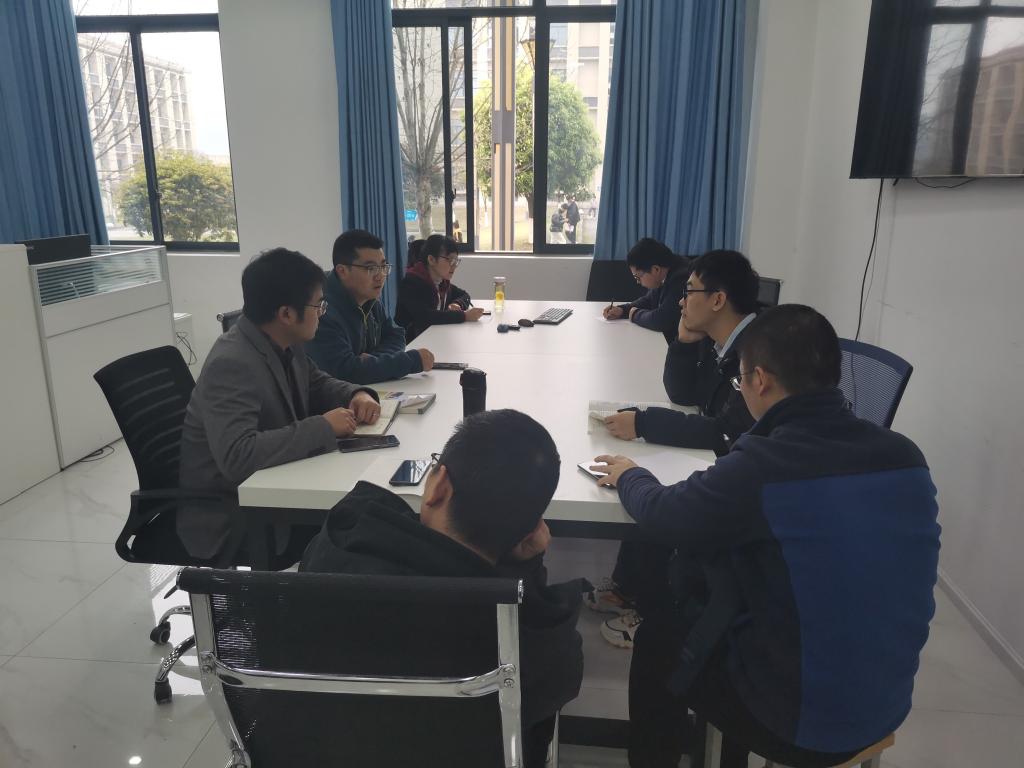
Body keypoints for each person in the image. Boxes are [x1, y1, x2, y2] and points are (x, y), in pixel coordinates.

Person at [593, 305, 940, 768]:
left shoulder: (766, 464)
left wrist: (630, 475)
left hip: (804, 725)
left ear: (759, 380)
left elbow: (666, 515)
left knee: (661, 637)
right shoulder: (906, 455)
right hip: (886, 702)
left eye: (740, 382)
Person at [302, 409, 585, 768]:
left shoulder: (337, 546)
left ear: (438, 487)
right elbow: (559, 681)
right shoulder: (521, 634)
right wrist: (526, 568)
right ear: (528, 530)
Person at [592, 250, 762, 649]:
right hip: (732, 454)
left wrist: (644, 423)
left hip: (745, 480)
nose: (681, 302)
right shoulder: (721, 341)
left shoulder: (755, 352)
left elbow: (724, 431)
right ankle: (628, 587)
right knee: (646, 467)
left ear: (718, 299)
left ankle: (654, 609)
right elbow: (684, 395)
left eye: (690, 292)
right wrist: (684, 342)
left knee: (656, 485)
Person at [178, 247, 382, 560]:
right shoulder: (231, 363)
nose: (322, 313)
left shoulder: (283, 340)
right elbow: (237, 456)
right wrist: (324, 426)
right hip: (234, 514)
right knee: (364, 531)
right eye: (318, 305)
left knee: (369, 516)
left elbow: (316, 382)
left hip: (280, 482)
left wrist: (357, 394)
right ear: (286, 314)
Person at [306, 228, 435, 384]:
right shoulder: (320, 309)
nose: (380, 276)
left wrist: (374, 360)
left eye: (383, 267)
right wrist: (411, 361)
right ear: (342, 271)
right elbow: (345, 371)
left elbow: (396, 334)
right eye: (371, 268)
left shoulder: (367, 297)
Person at [396, 234, 484, 342]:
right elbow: (426, 317)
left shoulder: (442, 282)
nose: (454, 266)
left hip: (433, 339)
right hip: (409, 344)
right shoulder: (412, 283)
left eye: (456, 261)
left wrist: (457, 304)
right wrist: (464, 316)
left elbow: (464, 295)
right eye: (450, 260)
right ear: (431, 259)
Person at [602, 239, 689, 343]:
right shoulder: (666, 271)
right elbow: (648, 300)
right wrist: (622, 310)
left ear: (655, 269)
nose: (638, 282)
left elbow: (662, 320)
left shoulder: (681, 278)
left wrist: (635, 314)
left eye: (638, 277)